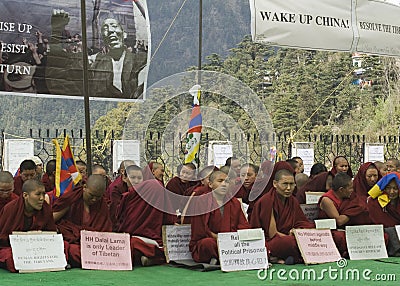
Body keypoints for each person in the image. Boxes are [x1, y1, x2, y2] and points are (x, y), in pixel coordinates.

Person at [46, 11, 147, 99]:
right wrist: (57, 30)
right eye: (106, 28)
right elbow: (58, 71)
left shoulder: (141, 61)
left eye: (114, 26)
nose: (111, 31)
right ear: (103, 38)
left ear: (124, 34)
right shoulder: (95, 61)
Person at [251, 169, 314, 264]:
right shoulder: (267, 201)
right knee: (289, 242)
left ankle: (288, 257)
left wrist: (298, 231)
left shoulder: (293, 201)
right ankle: (294, 256)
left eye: (292, 184)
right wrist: (296, 238)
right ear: (275, 184)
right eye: (285, 184)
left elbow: (301, 222)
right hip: (272, 241)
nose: (288, 188)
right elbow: (273, 234)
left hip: (290, 237)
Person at [190, 171, 250, 264]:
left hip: (232, 241)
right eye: (220, 181)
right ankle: (225, 257)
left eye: (226, 182)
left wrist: (234, 238)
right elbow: (200, 229)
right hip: (213, 240)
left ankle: (220, 257)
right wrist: (219, 238)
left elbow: (243, 225)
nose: (224, 184)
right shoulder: (202, 201)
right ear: (210, 184)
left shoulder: (234, 202)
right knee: (207, 244)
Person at [52, 174, 112, 268]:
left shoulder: (102, 204)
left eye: (98, 197)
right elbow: (51, 220)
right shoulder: (72, 198)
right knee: (67, 247)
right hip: (73, 242)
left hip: (94, 245)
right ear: (84, 187)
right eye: (91, 195)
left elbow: (105, 231)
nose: (94, 199)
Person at [0, 180, 59, 272]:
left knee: (66, 247)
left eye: (43, 194)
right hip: (14, 247)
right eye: (38, 194)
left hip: (39, 247)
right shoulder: (10, 209)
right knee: (11, 257)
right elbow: (3, 238)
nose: (42, 198)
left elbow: (51, 233)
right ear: (25, 195)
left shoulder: (46, 208)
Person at [116, 179, 176, 267]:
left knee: (130, 245)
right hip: (154, 240)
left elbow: (119, 219)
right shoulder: (161, 196)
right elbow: (169, 220)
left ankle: (147, 257)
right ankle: (153, 259)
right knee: (167, 250)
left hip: (133, 239)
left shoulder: (133, 197)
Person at [367, 173, 400, 256]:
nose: (391, 192)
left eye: (395, 188)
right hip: (383, 237)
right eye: (388, 188)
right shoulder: (374, 202)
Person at [110, 165, 143, 230]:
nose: (136, 181)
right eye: (132, 177)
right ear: (125, 178)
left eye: (139, 178)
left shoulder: (144, 193)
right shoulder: (118, 190)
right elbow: (116, 214)